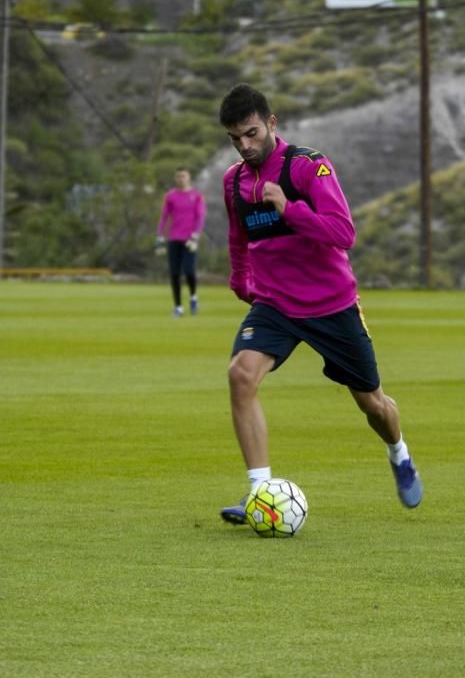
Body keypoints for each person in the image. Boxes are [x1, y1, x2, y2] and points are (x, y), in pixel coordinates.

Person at [218, 83, 423, 524]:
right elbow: (239, 236)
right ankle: (260, 493)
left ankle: (399, 452)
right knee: (240, 375)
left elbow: (343, 233)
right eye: (235, 138)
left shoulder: (309, 167)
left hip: (332, 304)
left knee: (373, 405)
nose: (245, 146)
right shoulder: (233, 181)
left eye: (251, 133)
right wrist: (240, 281)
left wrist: (288, 208)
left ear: (272, 123)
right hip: (276, 304)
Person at [155, 167, 207, 316]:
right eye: (178, 176)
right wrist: (159, 236)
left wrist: (196, 235)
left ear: (189, 177)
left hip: (190, 240)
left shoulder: (196, 196)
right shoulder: (170, 196)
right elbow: (164, 216)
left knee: (189, 272)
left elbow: (200, 217)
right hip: (174, 239)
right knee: (174, 274)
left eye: (183, 176)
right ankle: (178, 307)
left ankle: (193, 296)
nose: (180, 179)